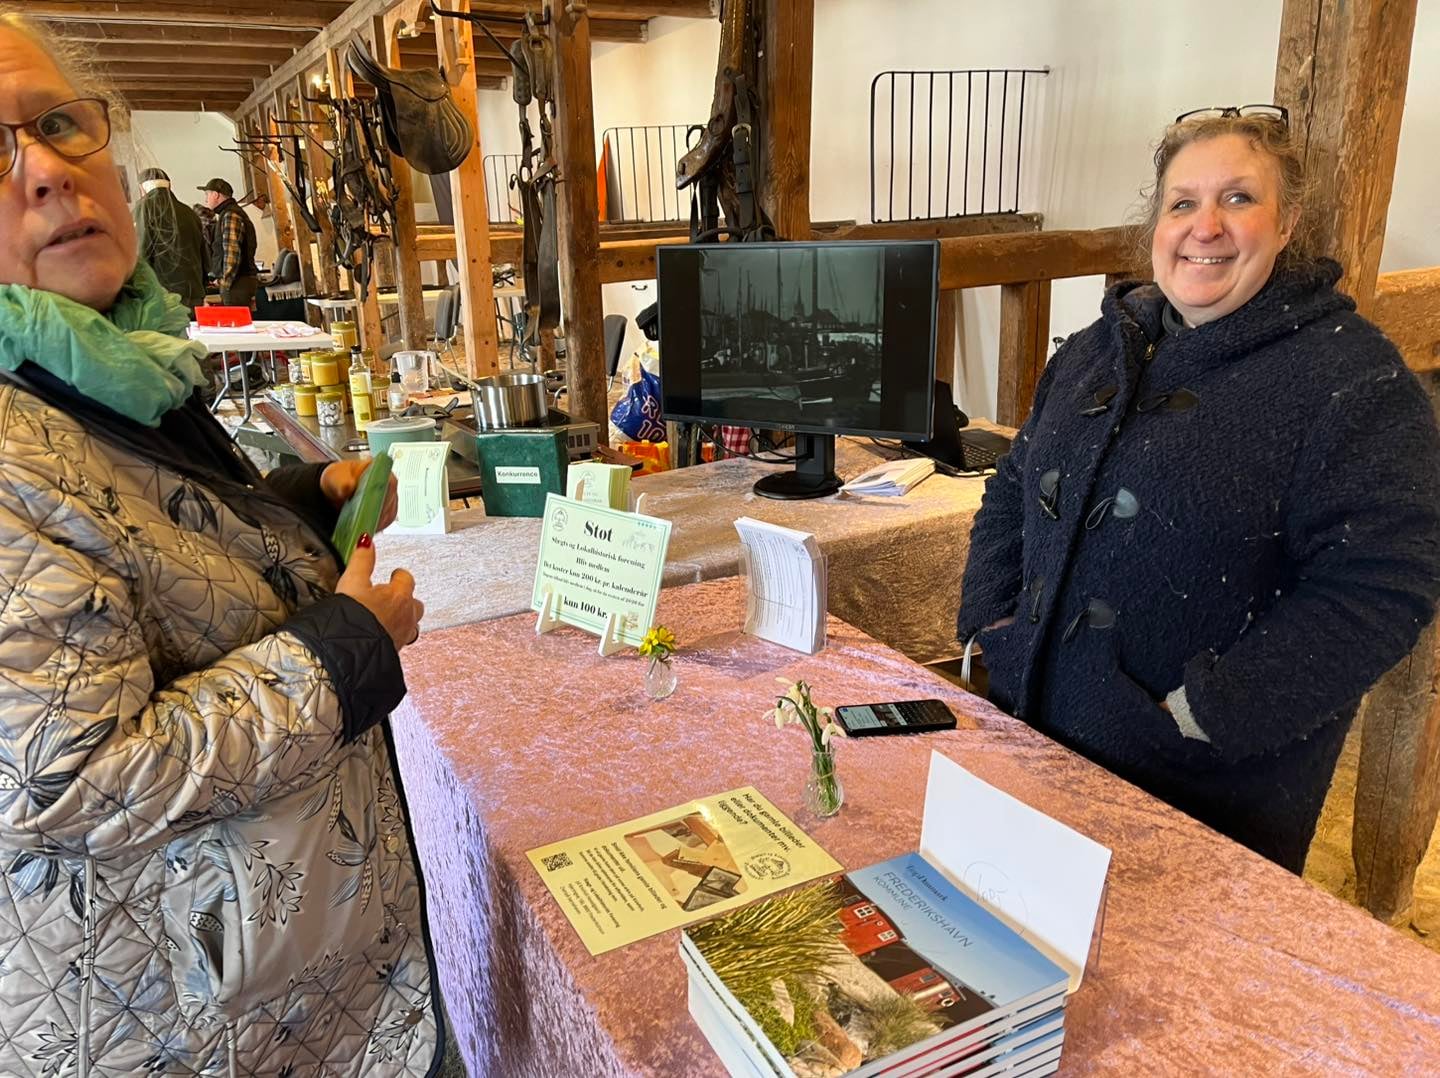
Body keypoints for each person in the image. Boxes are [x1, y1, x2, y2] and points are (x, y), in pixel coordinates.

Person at [0, 14, 457, 1075]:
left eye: (58, 124)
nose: (47, 171)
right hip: (179, 1026)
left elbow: (143, 543)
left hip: (268, 974)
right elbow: (74, 780)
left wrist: (294, 504)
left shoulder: (110, 367)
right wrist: (346, 645)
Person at [957, 106, 1440, 873]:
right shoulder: (1095, 351)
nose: (1204, 226)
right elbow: (1015, 487)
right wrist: (991, 624)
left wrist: (1205, 712)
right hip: (1031, 738)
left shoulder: (1353, 382)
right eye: (1183, 202)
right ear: (1157, 222)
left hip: (1193, 789)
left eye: (1238, 198)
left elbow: (1385, 583)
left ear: (1287, 223)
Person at [132, 165, 206, 311]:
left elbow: (141, 253)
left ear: (142, 188)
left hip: (162, 296)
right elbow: (204, 255)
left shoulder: (143, 209)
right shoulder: (189, 213)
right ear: (169, 186)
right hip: (193, 293)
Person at [199, 175, 261, 308]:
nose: (206, 199)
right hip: (239, 282)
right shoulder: (230, 213)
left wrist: (224, 282)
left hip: (237, 284)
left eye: (207, 194)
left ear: (216, 195)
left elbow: (232, 252)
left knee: (236, 320)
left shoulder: (230, 215)